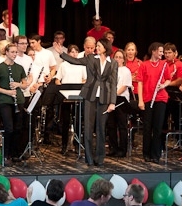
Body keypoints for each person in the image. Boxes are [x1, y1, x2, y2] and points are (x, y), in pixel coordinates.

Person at [57, 38, 117, 167]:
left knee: (101, 128)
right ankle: (89, 158)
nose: (96, 48)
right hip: (90, 96)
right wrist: (62, 54)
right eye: (96, 46)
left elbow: (113, 84)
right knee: (88, 128)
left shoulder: (113, 63)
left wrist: (112, 102)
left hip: (104, 98)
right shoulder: (90, 59)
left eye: (99, 46)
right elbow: (75, 61)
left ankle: (100, 158)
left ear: (105, 48)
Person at [0, 43, 30, 165]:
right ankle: (6, 155)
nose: (14, 54)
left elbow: (25, 85)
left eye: (15, 52)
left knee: (18, 128)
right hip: (5, 101)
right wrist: (6, 91)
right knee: (9, 128)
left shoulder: (19, 67)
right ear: (6, 52)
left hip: (18, 100)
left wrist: (18, 84)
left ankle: (15, 154)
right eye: (12, 52)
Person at [137, 42, 172, 164]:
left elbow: (168, 79)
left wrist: (163, 85)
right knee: (147, 127)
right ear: (153, 51)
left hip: (160, 98)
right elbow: (140, 82)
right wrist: (140, 100)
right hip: (147, 98)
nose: (162, 54)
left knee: (158, 127)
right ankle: (146, 153)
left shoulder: (164, 65)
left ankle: (156, 154)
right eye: (160, 51)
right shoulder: (144, 65)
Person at [55, 44, 87, 155]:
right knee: (65, 121)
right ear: (68, 53)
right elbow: (57, 79)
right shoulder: (63, 65)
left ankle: (77, 144)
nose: (74, 54)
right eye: (72, 52)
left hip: (77, 96)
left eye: (76, 52)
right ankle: (64, 145)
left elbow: (85, 79)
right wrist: (60, 86)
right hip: (65, 96)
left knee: (77, 121)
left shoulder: (81, 65)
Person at [107, 49, 131, 158]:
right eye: (116, 57)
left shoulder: (126, 71)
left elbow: (124, 86)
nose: (117, 59)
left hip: (121, 100)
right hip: (110, 99)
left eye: (120, 57)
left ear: (124, 59)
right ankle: (113, 148)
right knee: (111, 125)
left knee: (122, 125)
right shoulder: (110, 70)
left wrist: (114, 95)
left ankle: (122, 149)